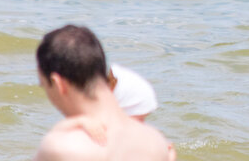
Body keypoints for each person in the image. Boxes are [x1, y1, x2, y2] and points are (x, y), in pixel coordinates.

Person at [34, 24, 175, 160]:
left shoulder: (62, 146)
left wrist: (59, 130)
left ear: (59, 84)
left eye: (44, 86)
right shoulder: (156, 142)